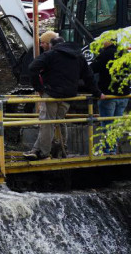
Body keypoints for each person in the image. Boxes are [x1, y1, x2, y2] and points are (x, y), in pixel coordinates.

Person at [23, 32, 104, 160]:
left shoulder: (50, 55)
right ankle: (61, 148)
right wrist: (97, 93)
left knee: (47, 123)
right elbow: (89, 76)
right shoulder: (78, 56)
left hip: (51, 94)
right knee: (60, 121)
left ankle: (43, 152)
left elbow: (33, 67)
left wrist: (39, 88)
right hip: (69, 96)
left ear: (52, 45)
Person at [93, 38, 130, 154]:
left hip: (108, 95)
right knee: (116, 124)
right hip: (124, 95)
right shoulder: (125, 53)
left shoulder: (105, 54)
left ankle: (108, 150)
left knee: (107, 123)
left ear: (107, 42)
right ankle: (112, 148)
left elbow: (92, 68)